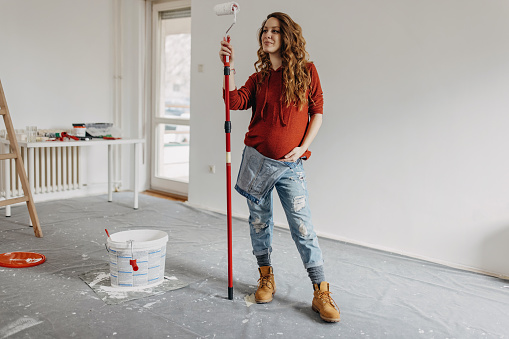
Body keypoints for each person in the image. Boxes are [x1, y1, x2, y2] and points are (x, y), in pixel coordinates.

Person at [219, 12, 340, 323]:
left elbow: (318, 112)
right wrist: (227, 67)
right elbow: (233, 101)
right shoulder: (258, 79)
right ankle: (265, 277)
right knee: (259, 224)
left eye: (275, 31)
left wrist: (303, 147)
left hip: (289, 166)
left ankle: (320, 290)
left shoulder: (306, 72)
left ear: (287, 37)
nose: (268, 35)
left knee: (303, 228)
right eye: (265, 31)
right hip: (256, 162)